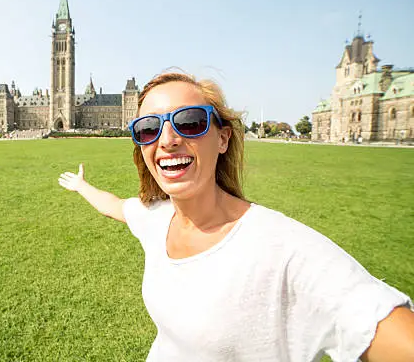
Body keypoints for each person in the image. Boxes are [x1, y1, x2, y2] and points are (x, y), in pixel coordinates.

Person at [58, 72, 414, 362]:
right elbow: (116, 206)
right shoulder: (155, 217)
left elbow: (370, 317)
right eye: (149, 128)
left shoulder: (286, 249)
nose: (167, 140)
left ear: (223, 138)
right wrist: (82, 186)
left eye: (190, 122)